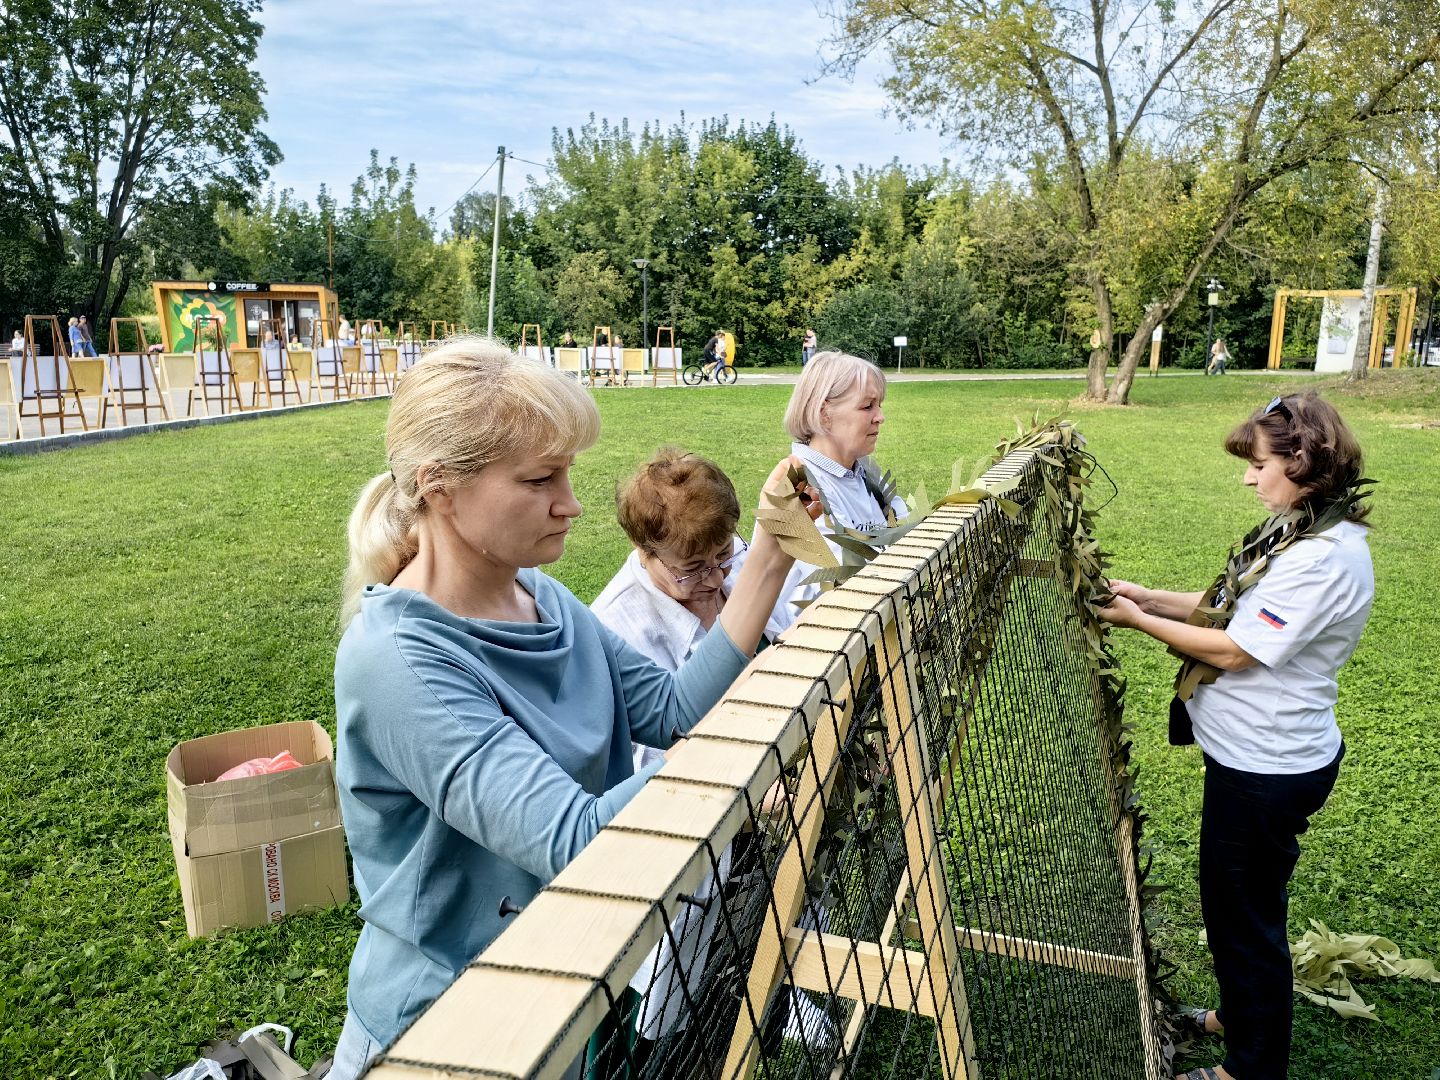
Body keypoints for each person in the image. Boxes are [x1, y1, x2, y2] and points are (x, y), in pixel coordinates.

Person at [328, 338, 805, 1079]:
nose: (572, 503)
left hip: (560, 992)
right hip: (446, 1032)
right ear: (441, 486)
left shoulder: (543, 598)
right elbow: (577, 839)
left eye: (569, 472)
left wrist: (771, 552)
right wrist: (738, 748)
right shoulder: (398, 660)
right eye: (540, 478)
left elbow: (673, 709)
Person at [1098, 392, 1374, 1080]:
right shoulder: (1303, 530)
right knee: (1238, 906)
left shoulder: (1324, 558)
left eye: (1258, 464)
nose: (1248, 478)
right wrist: (1143, 594)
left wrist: (1135, 622)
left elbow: (1233, 651)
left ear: (1303, 458)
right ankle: (1240, 1012)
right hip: (1254, 762)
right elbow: (1226, 612)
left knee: (1244, 920)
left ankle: (1248, 1068)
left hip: (1268, 771)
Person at [591, 448, 831, 1059]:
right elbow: (651, 758)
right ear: (647, 552)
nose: (716, 579)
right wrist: (745, 791)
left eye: (724, 557)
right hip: (691, 826)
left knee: (798, 885)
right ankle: (656, 1047)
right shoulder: (620, 627)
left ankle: (792, 990)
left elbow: (799, 609)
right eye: (692, 569)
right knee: (679, 959)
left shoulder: (733, 565)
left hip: (777, 784)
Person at [775, 351, 908, 630]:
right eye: (867, 406)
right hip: (823, 648)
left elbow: (903, 528)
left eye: (879, 405)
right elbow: (839, 579)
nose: (880, 417)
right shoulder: (799, 487)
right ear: (825, 413)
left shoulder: (861, 473)